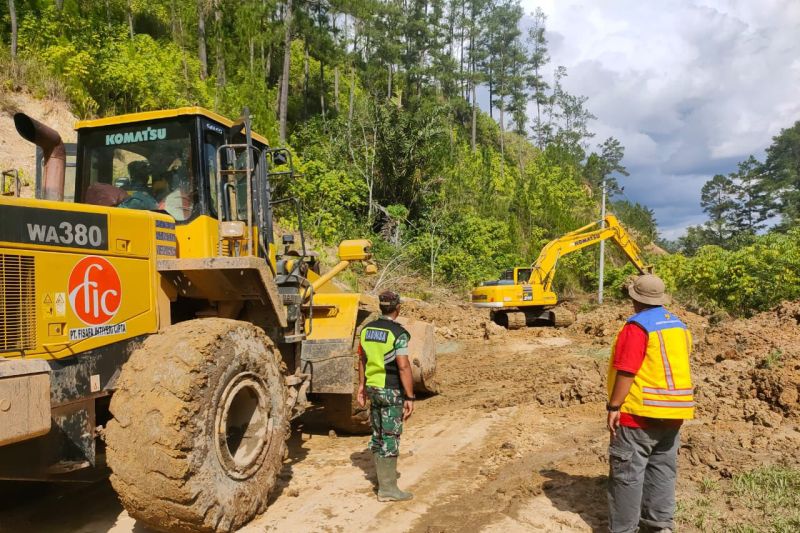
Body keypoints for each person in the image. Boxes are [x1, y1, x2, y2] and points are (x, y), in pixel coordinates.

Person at [606, 274, 694, 533]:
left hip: (639, 414)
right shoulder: (679, 326)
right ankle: (659, 526)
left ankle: (624, 529)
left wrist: (614, 406)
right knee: (662, 472)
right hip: (674, 413)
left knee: (627, 476)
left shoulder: (637, 327)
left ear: (635, 298)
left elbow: (627, 370)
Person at [356, 291, 415, 502]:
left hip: (373, 388)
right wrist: (410, 397)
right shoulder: (398, 333)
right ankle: (388, 489)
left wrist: (361, 386)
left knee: (378, 434)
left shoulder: (366, 330)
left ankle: (381, 481)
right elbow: (403, 366)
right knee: (390, 436)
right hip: (391, 390)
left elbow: (362, 360)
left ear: (381, 307)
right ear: (397, 308)